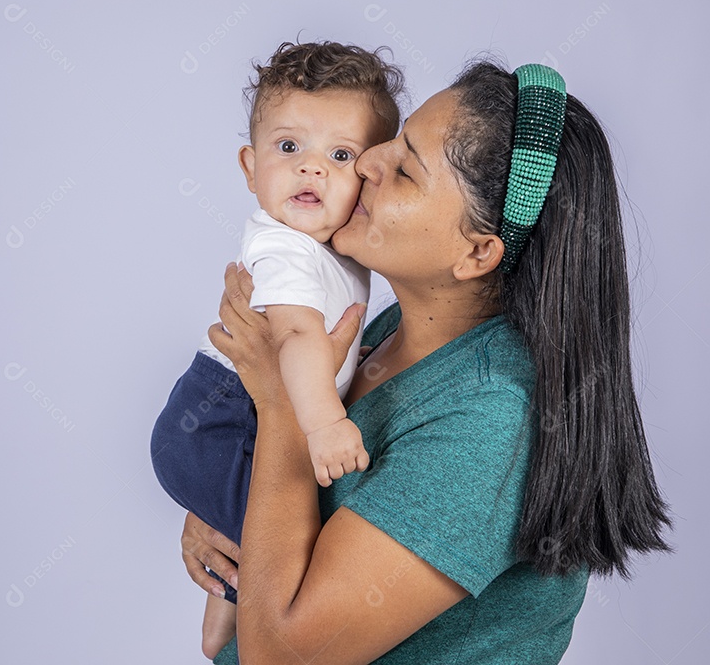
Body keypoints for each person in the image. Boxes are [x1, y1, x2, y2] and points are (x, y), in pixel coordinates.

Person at [181, 57, 674, 663]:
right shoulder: (393, 330)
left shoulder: (491, 420)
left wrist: (280, 399)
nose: (366, 161)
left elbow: (281, 657)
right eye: (391, 140)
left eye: (404, 169)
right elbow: (285, 512)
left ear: (477, 252)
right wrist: (224, 504)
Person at [150, 41, 405, 657]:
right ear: (250, 165)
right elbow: (293, 336)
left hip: (235, 417)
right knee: (291, 542)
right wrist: (325, 424)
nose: (311, 169)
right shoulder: (285, 247)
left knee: (262, 527)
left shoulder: (330, 245)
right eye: (288, 147)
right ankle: (231, 619)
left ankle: (222, 616)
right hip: (222, 417)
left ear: (369, 175)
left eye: (340, 155)